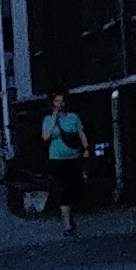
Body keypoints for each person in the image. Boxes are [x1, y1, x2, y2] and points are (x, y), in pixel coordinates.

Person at [42, 91, 88, 235]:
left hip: (73, 157)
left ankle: (70, 212)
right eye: (57, 101)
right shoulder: (48, 119)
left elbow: (81, 133)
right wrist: (54, 119)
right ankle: (67, 222)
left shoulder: (73, 117)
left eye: (62, 101)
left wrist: (86, 148)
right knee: (63, 189)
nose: (60, 104)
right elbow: (46, 137)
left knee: (73, 187)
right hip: (57, 159)